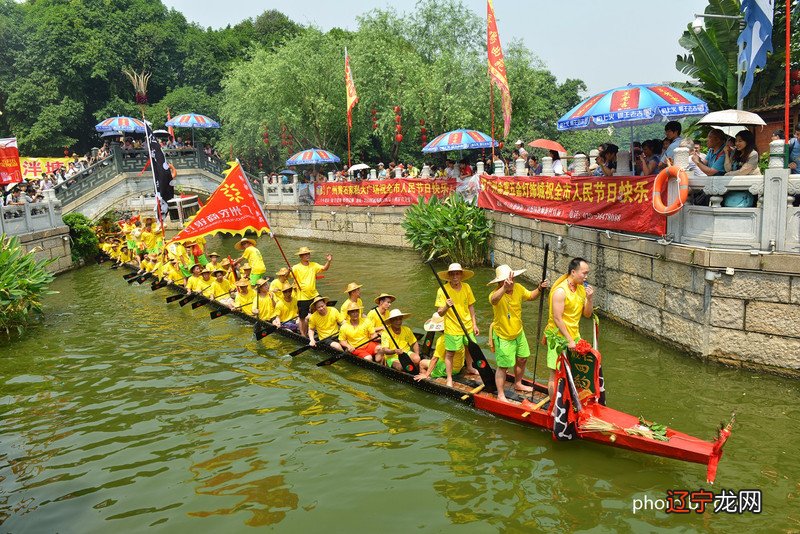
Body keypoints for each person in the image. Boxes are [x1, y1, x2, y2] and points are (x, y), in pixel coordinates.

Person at [487, 264, 548, 403]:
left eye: (512, 279)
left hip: (518, 332)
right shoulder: (496, 293)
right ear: (500, 282)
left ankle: (518, 383)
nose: (511, 282)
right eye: (506, 280)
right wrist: (504, 288)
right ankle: (501, 394)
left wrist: (539, 288)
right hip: (503, 335)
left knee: (523, 358)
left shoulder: (518, 288)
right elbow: (493, 300)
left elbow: (531, 296)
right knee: (503, 366)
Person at [544, 257, 594, 400]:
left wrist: (590, 299)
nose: (586, 276)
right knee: (555, 372)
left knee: (573, 371)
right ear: (573, 272)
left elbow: (587, 314)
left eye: (587, 273)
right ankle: (554, 408)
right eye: (584, 273)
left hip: (574, 335)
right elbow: (557, 318)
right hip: (558, 337)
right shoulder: (561, 291)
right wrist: (569, 339)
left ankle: (569, 399)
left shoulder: (581, 290)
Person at [434, 263, 479, 387]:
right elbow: (440, 313)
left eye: (457, 273)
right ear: (449, 276)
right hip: (452, 327)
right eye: (452, 274)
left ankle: (469, 367)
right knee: (450, 353)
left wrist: (474, 324)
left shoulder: (467, 287)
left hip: (467, 326)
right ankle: (449, 378)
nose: (455, 276)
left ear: (461, 275)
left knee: (470, 347)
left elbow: (471, 306)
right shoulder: (443, 290)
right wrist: (446, 306)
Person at [292, 246, 332, 336]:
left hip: (314, 294)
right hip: (302, 296)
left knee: (322, 309)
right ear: (301, 256)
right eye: (305, 254)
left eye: (308, 254)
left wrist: (329, 261)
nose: (307, 255)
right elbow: (287, 275)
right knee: (302, 317)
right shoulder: (296, 267)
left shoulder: (313, 265)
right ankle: (303, 334)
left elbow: (325, 268)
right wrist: (288, 270)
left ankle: (322, 329)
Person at [414, 314, 467, 382]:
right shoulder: (458, 332)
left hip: (451, 369)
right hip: (459, 365)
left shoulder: (442, 340)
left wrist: (426, 374)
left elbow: (435, 359)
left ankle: (427, 379)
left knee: (422, 363)